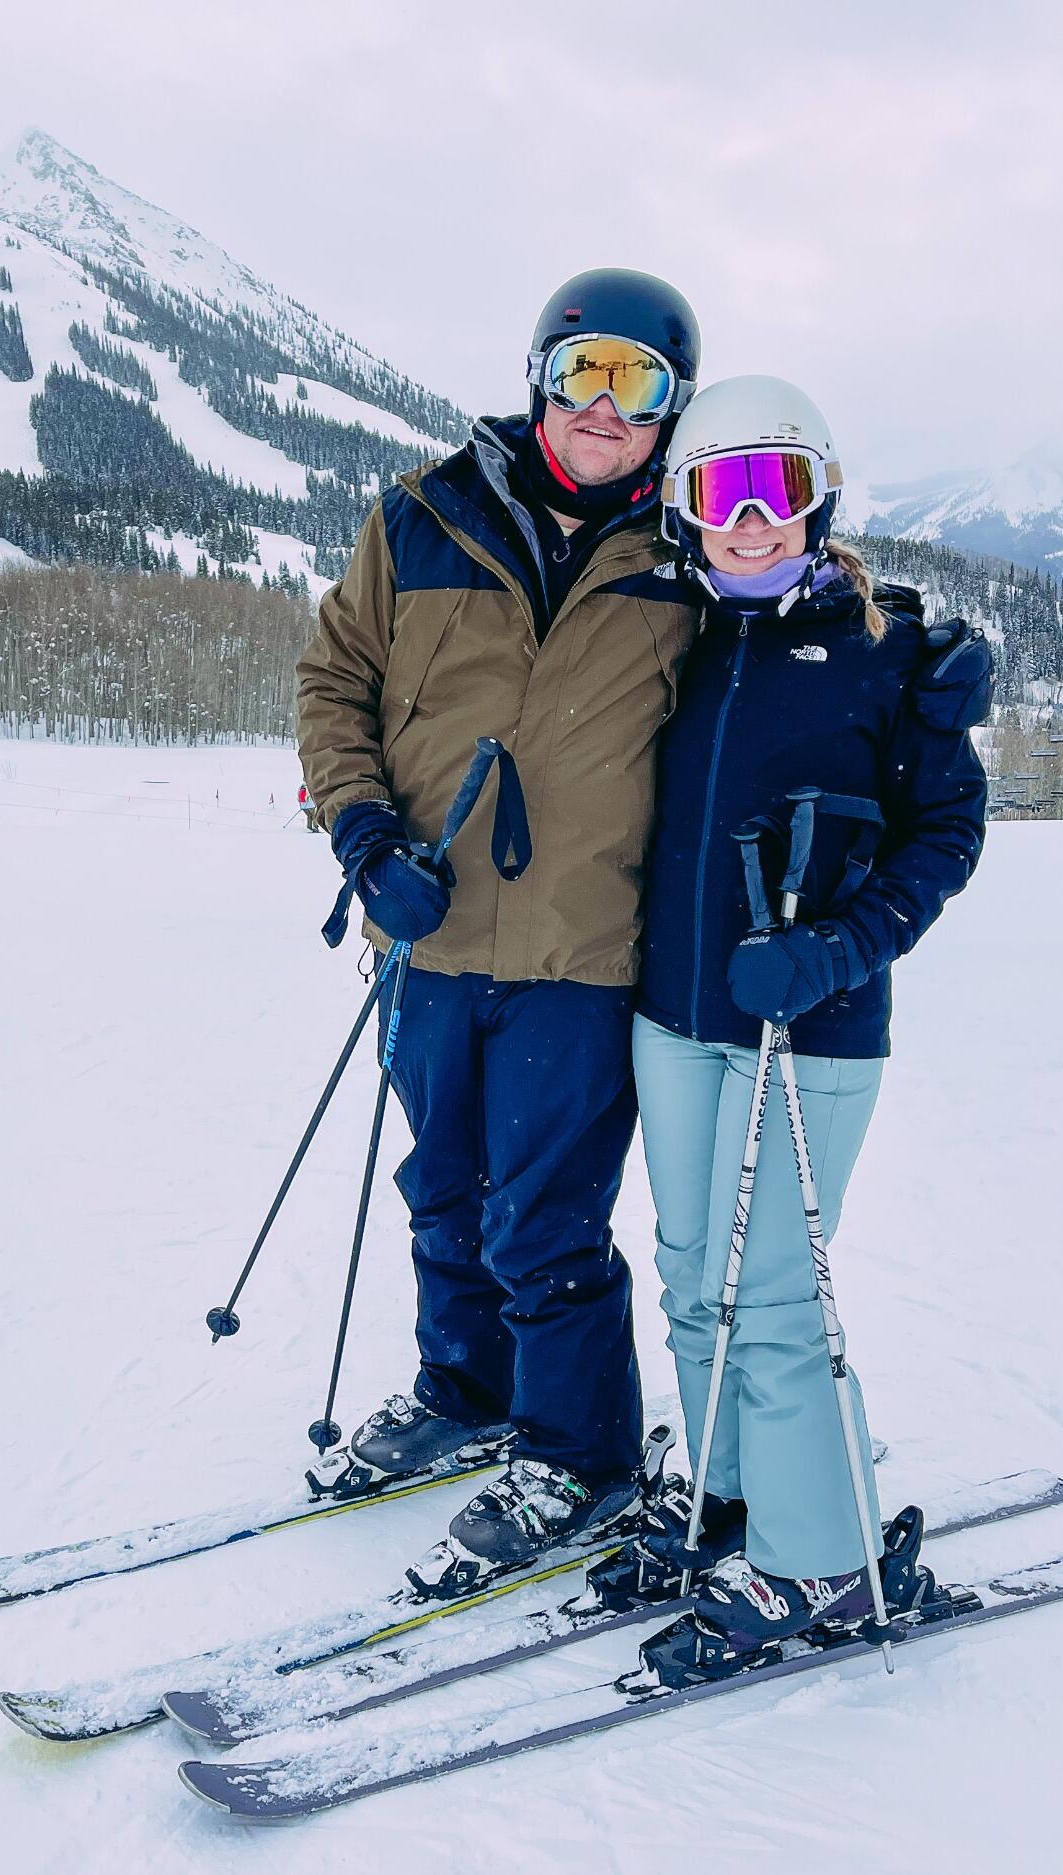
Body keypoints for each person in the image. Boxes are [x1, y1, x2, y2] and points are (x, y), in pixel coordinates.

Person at [294, 271, 704, 1589]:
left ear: (669, 410)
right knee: (444, 1188)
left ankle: (579, 1451)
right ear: (540, 375)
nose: (604, 405)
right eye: (585, 369)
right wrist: (365, 839)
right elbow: (333, 679)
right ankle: (465, 1387)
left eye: (638, 384)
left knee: (545, 1217)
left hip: (583, 952)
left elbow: (781, 669)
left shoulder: (686, 556)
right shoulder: (420, 517)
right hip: (425, 933)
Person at [582, 376, 989, 1671]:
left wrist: (834, 948)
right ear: (686, 513)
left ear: (817, 502)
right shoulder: (676, 646)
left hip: (808, 1031)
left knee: (769, 1301)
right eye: (720, 493)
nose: (750, 522)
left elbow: (947, 833)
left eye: (777, 491)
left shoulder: (892, 656)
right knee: (694, 1279)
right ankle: (729, 1493)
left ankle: (828, 1566)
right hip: (679, 1015)